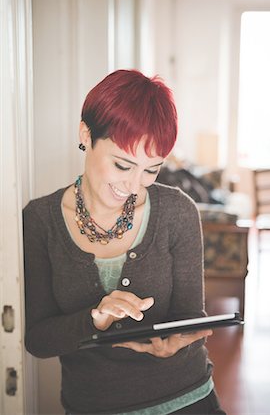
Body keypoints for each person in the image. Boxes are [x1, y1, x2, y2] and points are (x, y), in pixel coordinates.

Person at [23, 69, 226, 415]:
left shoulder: (177, 211)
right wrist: (95, 317)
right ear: (85, 134)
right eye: (122, 165)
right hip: (95, 404)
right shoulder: (40, 220)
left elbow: (192, 315)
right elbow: (39, 340)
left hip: (188, 396)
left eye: (151, 170)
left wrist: (175, 342)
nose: (134, 186)